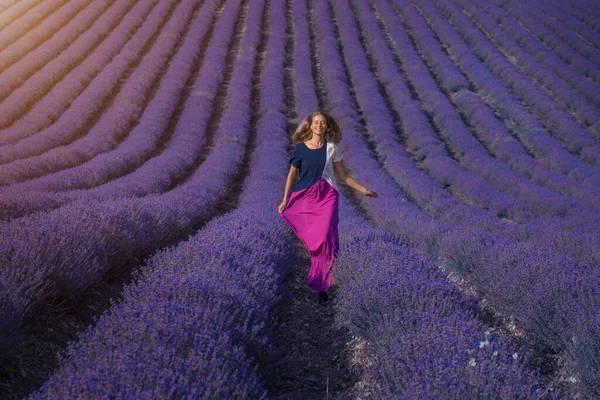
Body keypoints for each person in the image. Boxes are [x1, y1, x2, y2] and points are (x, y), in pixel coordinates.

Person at [278, 111, 378, 304]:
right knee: (316, 241)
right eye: (316, 122)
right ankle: (319, 275)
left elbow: (344, 176)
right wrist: (285, 199)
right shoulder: (300, 149)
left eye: (322, 123)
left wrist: (363, 189)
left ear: (327, 126)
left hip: (327, 196)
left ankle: (322, 283)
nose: (319, 126)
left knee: (325, 237)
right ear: (310, 125)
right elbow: (291, 176)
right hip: (305, 196)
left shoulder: (332, 148)